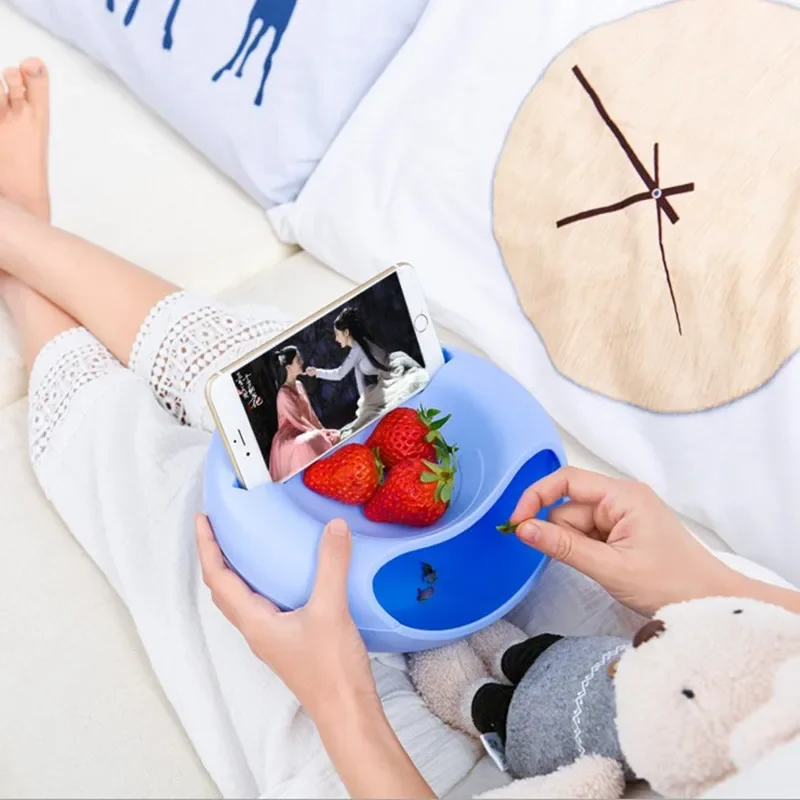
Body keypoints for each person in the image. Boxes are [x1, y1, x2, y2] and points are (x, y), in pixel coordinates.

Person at [1, 59, 798, 799]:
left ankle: (19, 260)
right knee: (278, 386)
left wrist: (341, 700)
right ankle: (22, 237)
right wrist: (703, 581)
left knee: (189, 523)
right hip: (721, 647)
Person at [198, 467, 800, 799]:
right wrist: (700, 581)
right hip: (731, 627)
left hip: (422, 763)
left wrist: (341, 706)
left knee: (202, 531)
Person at [305, 306, 428, 435]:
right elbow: (360, 381)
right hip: (386, 376)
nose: (336, 339)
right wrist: (365, 404)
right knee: (367, 414)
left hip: (393, 371)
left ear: (346, 332)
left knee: (391, 404)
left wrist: (317, 372)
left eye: (337, 334)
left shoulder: (357, 348)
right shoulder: (359, 347)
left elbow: (339, 374)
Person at [268, 345, 339, 481]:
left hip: (304, 428)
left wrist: (322, 429)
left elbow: (309, 414)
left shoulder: (299, 385)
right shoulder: (283, 394)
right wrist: (320, 433)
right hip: (289, 436)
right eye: (297, 360)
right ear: (288, 368)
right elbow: (298, 420)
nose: (301, 362)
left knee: (320, 434)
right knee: (308, 440)